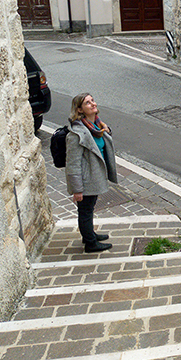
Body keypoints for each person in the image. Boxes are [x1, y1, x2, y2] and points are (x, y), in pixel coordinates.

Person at [65, 93, 117, 252]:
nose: (93, 104)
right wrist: (77, 189)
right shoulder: (77, 134)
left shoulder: (97, 126)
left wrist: (107, 130)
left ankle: (90, 234)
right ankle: (90, 243)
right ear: (80, 110)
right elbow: (72, 163)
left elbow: (102, 142)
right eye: (87, 103)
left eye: (92, 100)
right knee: (85, 211)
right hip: (86, 179)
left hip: (95, 175)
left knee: (89, 207)